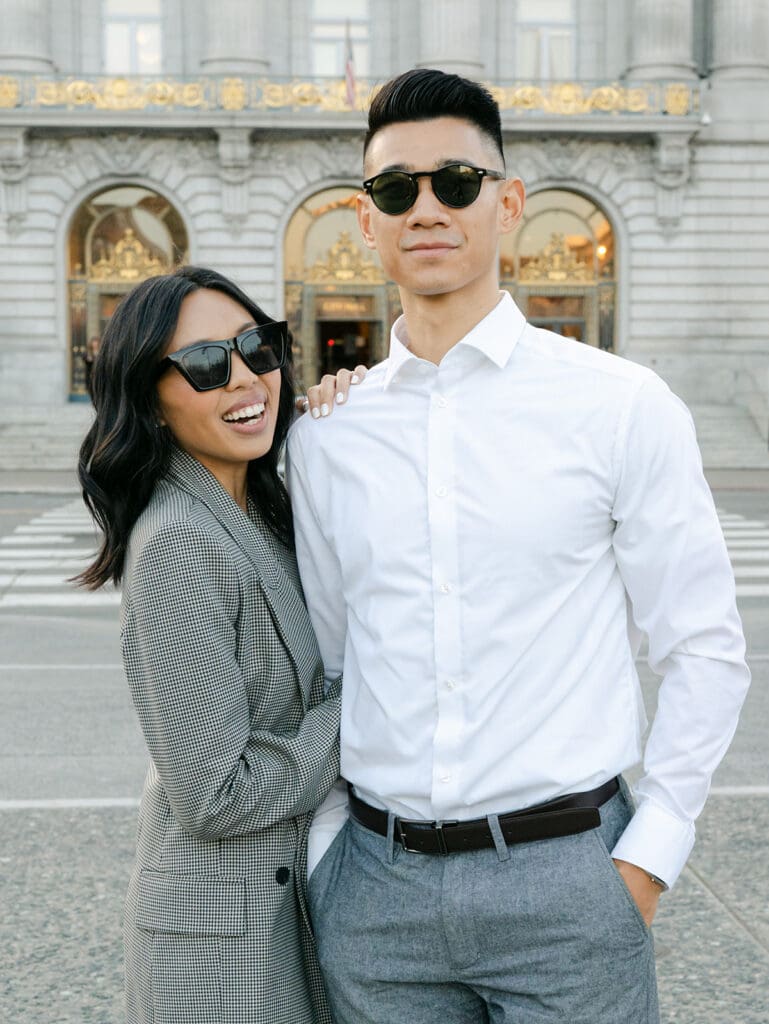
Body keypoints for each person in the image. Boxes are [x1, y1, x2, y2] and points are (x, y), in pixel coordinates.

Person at [286, 69, 751, 1024]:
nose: (426, 207)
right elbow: (332, 664)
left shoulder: (619, 406)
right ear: (364, 223)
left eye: (454, 182)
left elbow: (702, 645)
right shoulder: (327, 438)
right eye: (393, 189)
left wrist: (647, 858)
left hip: (571, 887)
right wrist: (332, 851)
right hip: (377, 894)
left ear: (507, 205)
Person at [76, 265, 345, 1024]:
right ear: (150, 400)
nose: (244, 377)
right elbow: (214, 794)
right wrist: (358, 711)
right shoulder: (178, 541)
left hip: (269, 913)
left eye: (256, 347)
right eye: (204, 364)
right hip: (218, 942)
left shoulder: (257, 503)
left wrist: (347, 417)